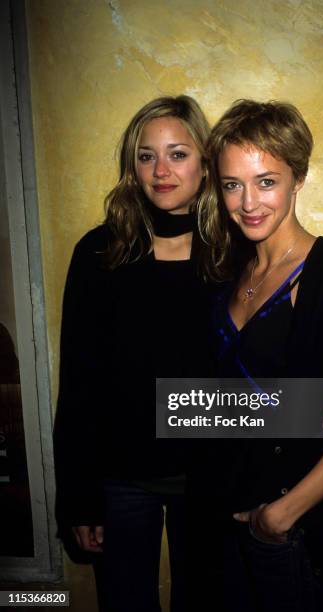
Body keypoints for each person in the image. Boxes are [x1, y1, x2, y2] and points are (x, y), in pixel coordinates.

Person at [197, 99, 323, 612]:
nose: (247, 202)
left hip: (293, 533)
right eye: (232, 184)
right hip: (223, 524)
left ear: (297, 178)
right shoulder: (228, 268)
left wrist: (280, 517)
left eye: (266, 181)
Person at [53, 95, 214, 612]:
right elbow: (80, 382)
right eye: (146, 156)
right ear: (132, 166)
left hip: (213, 477)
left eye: (178, 154)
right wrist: (77, 497)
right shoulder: (101, 251)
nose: (161, 170)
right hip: (120, 479)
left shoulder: (235, 251)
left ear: (206, 162)